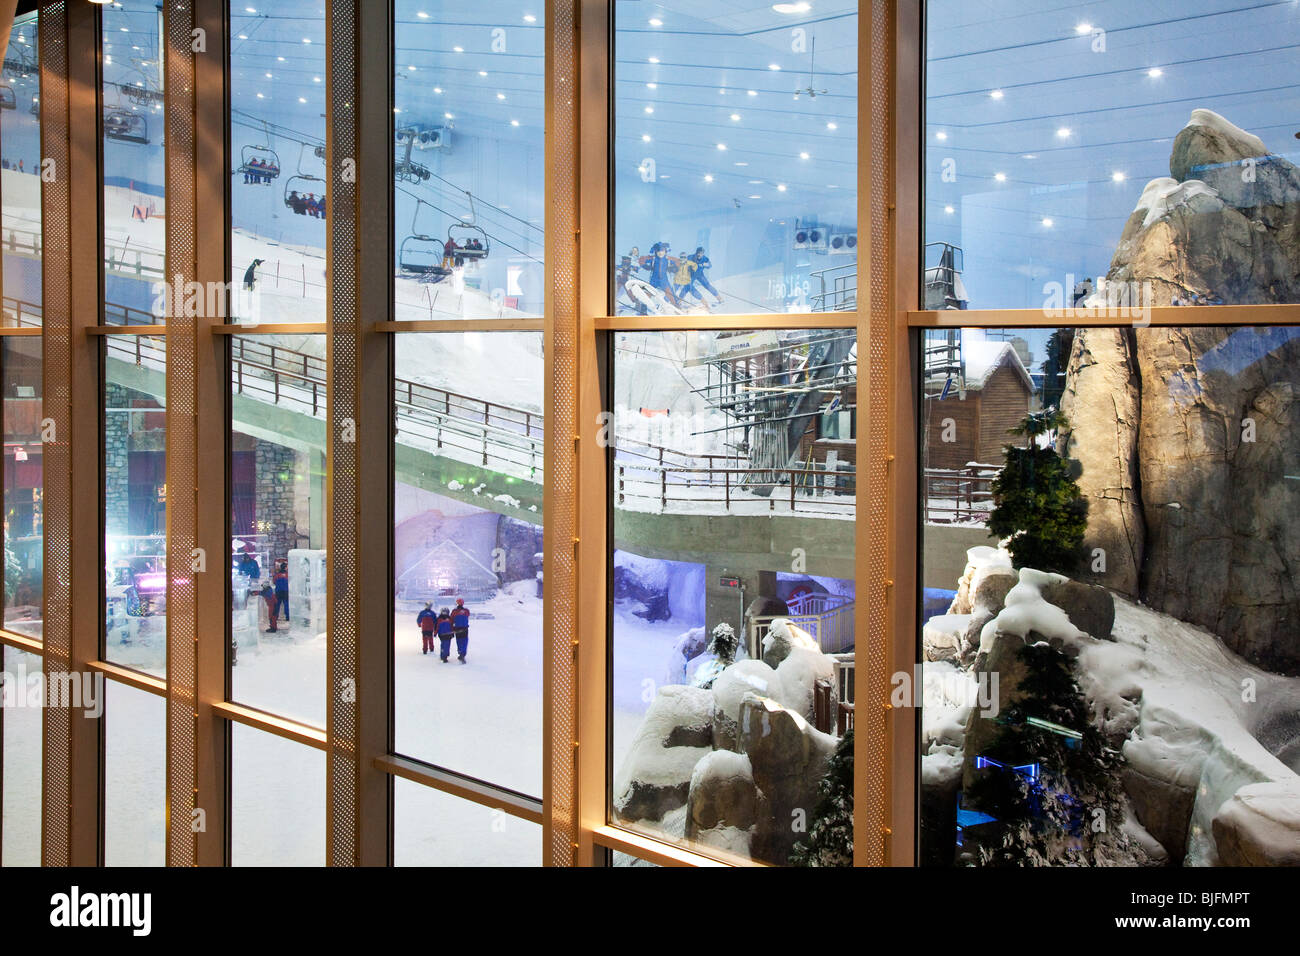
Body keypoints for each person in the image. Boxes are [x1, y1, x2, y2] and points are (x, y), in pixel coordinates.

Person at [451, 598, 470, 663]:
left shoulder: (454, 611)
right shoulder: (466, 611)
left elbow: (452, 619)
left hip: (457, 628)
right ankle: (463, 654)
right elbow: (467, 615)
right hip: (465, 628)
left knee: (459, 641)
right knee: (464, 641)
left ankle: (460, 653)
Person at [272, 559, 289, 627]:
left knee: (277, 605)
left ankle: (275, 617)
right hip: (285, 591)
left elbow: (274, 582)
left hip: (278, 591)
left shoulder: (277, 575)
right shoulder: (288, 575)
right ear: (285, 567)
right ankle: (288, 617)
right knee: (286, 604)